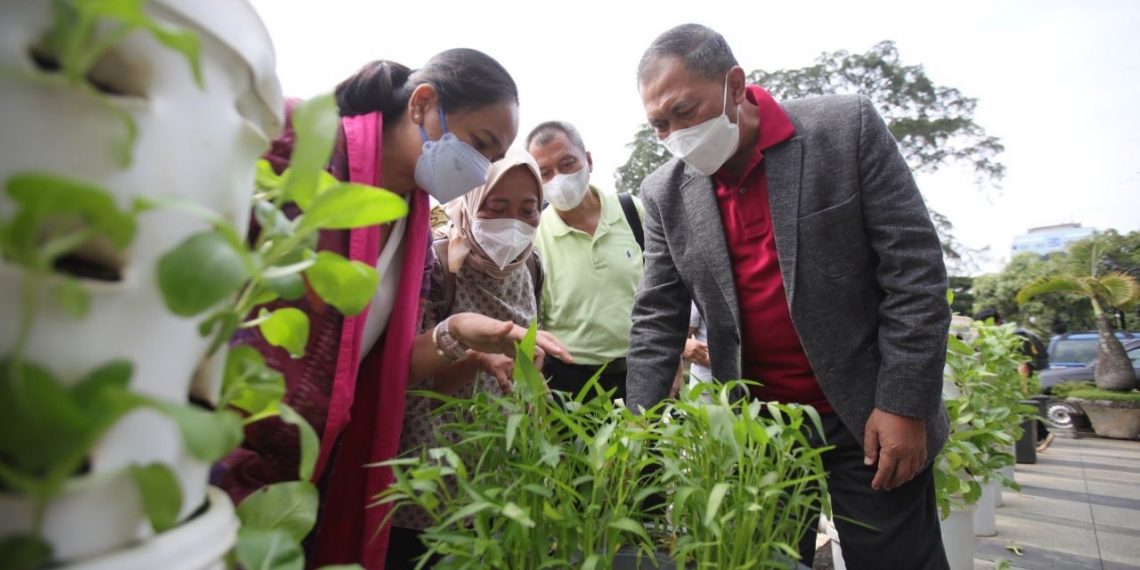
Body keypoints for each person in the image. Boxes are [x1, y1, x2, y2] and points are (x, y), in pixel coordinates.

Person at [212, 50, 569, 569]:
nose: (478, 169)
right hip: (219, 446)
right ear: (424, 104)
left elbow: (388, 369)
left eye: (491, 158)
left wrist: (464, 333)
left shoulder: (411, 228)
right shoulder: (300, 146)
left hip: (311, 469)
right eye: (479, 145)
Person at [625, 24, 952, 569]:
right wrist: (638, 427)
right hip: (760, 431)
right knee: (765, 560)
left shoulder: (843, 129)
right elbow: (657, 315)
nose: (673, 135)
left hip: (867, 412)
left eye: (684, 112)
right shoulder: (664, 192)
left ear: (735, 84)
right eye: (658, 124)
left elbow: (914, 270)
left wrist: (903, 404)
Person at [387, 152, 549, 568]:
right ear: (471, 203)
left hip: (501, 466)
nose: (513, 222)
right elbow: (416, 384)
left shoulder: (530, 266)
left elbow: (526, 357)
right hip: (431, 471)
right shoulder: (439, 266)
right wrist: (477, 357)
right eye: (497, 208)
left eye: (528, 210)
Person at [526, 121, 645, 401]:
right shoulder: (534, 236)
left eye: (567, 164)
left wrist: (673, 353)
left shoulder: (631, 211)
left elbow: (665, 290)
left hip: (644, 369)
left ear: (588, 161)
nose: (558, 178)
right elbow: (531, 317)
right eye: (544, 173)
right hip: (571, 383)